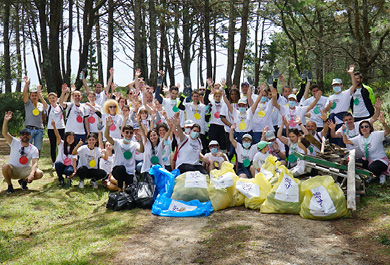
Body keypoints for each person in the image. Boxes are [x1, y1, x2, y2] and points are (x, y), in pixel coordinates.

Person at [2, 111, 43, 193]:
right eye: (23, 134)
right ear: (20, 136)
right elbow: (5, 133)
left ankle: (23, 182)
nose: (25, 136)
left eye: (27, 134)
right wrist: (6, 121)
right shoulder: (14, 142)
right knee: (5, 166)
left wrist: (31, 175)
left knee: (39, 173)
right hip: (13, 169)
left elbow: (35, 163)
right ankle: (10, 186)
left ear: (30, 136)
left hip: (25, 170)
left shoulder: (34, 149)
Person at [343, 114, 390, 184]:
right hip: (369, 160)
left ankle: (382, 174)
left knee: (372, 167)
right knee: (354, 163)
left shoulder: (376, 135)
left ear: (370, 128)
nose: (364, 128)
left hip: (380, 160)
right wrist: (344, 132)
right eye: (362, 127)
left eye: (366, 126)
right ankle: (370, 174)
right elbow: (346, 141)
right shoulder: (359, 138)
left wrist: (384, 124)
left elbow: (387, 132)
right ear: (360, 130)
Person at [105, 116, 145, 192]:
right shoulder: (117, 142)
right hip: (117, 170)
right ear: (123, 133)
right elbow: (107, 136)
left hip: (129, 172)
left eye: (131, 133)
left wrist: (140, 141)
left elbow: (142, 150)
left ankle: (124, 187)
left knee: (130, 190)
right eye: (127, 132)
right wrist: (108, 127)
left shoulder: (134, 144)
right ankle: (120, 189)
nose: (129, 134)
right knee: (121, 168)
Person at [323, 65, 357, 145]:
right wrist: (329, 106)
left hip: (342, 120)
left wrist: (351, 74)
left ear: (341, 85)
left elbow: (354, 85)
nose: (336, 87)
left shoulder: (346, 94)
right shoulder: (330, 97)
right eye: (334, 85)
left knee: (342, 139)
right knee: (332, 140)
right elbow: (325, 110)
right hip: (332, 122)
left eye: (338, 85)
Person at [38, 86, 66, 168]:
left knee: (62, 145)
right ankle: (54, 162)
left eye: (53, 98)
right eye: (50, 98)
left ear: (56, 98)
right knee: (53, 145)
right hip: (51, 129)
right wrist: (39, 93)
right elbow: (42, 100)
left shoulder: (60, 106)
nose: (52, 99)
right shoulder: (48, 107)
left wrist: (63, 91)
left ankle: (63, 160)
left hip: (61, 128)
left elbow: (62, 98)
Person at [22, 76, 45, 155]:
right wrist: (26, 84)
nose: (34, 97)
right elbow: (24, 94)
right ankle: (26, 164)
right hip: (29, 129)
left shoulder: (41, 105)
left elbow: (43, 117)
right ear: (30, 96)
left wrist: (43, 127)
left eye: (36, 95)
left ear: (38, 96)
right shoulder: (28, 103)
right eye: (32, 95)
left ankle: (36, 165)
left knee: (38, 148)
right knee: (27, 146)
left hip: (39, 130)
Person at [52, 120, 76, 186]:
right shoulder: (61, 144)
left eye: (72, 138)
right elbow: (57, 135)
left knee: (68, 171)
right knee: (57, 164)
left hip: (69, 166)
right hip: (61, 165)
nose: (71, 140)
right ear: (65, 138)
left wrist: (74, 171)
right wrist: (54, 126)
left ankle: (68, 178)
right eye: (69, 138)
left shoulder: (74, 147)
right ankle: (61, 179)